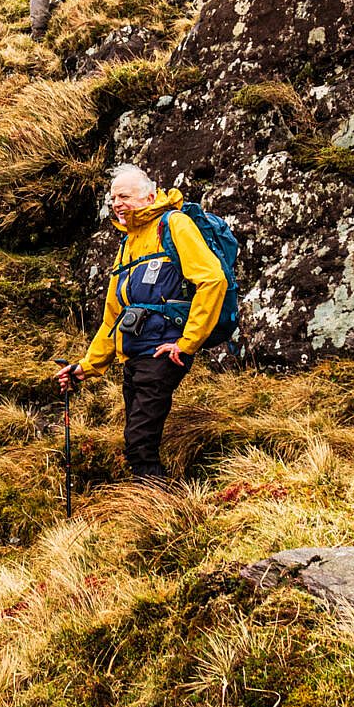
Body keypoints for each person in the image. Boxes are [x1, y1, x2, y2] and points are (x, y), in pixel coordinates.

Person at [57, 166, 227, 484]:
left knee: (140, 443)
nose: (117, 203)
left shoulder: (173, 225)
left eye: (124, 196)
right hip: (134, 356)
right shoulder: (128, 244)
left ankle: (157, 507)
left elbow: (212, 279)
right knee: (137, 436)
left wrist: (187, 343)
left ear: (149, 196)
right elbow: (113, 318)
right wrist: (85, 368)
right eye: (112, 198)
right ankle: (153, 499)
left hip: (163, 351)